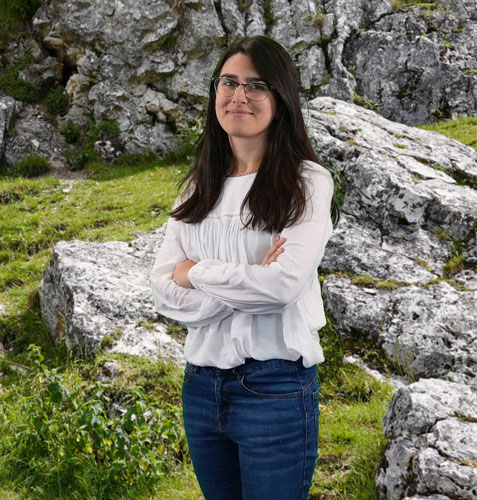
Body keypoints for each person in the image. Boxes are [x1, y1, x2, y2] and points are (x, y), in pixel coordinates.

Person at [150, 35, 337, 500]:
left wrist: (195, 272)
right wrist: (246, 279)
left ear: (281, 97)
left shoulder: (307, 182)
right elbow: (161, 290)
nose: (239, 95)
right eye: (229, 82)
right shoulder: (198, 186)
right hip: (200, 385)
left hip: (274, 388)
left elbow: (281, 287)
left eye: (256, 85)